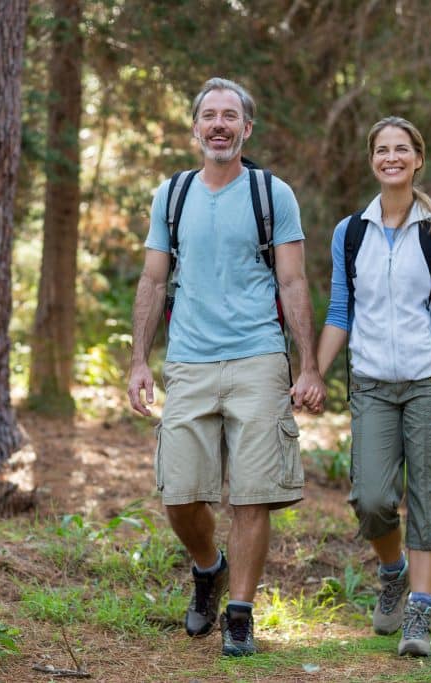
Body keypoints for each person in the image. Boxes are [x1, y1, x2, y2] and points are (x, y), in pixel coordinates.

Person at [126, 77, 326, 657]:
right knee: (179, 495)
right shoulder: (173, 194)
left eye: (229, 116)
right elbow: (153, 278)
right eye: (208, 115)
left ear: (246, 128)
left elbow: (292, 280)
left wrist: (308, 365)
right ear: (195, 128)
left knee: (252, 496)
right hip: (188, 360)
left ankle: (239, 614)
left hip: (260, 357)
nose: (219, 124)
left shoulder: (272, 194)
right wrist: (140, 359)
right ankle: (208, 568)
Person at [310, 115, 431, 657]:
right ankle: (393, 571)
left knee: (430, 500)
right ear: (372, 160)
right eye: (382, 150)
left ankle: (420, 611)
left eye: (401, 149)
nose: (392, 158)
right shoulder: (350, 232)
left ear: (417, 159)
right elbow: (341, 309)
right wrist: (313, 371)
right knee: (370, 498)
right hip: (371, 384)